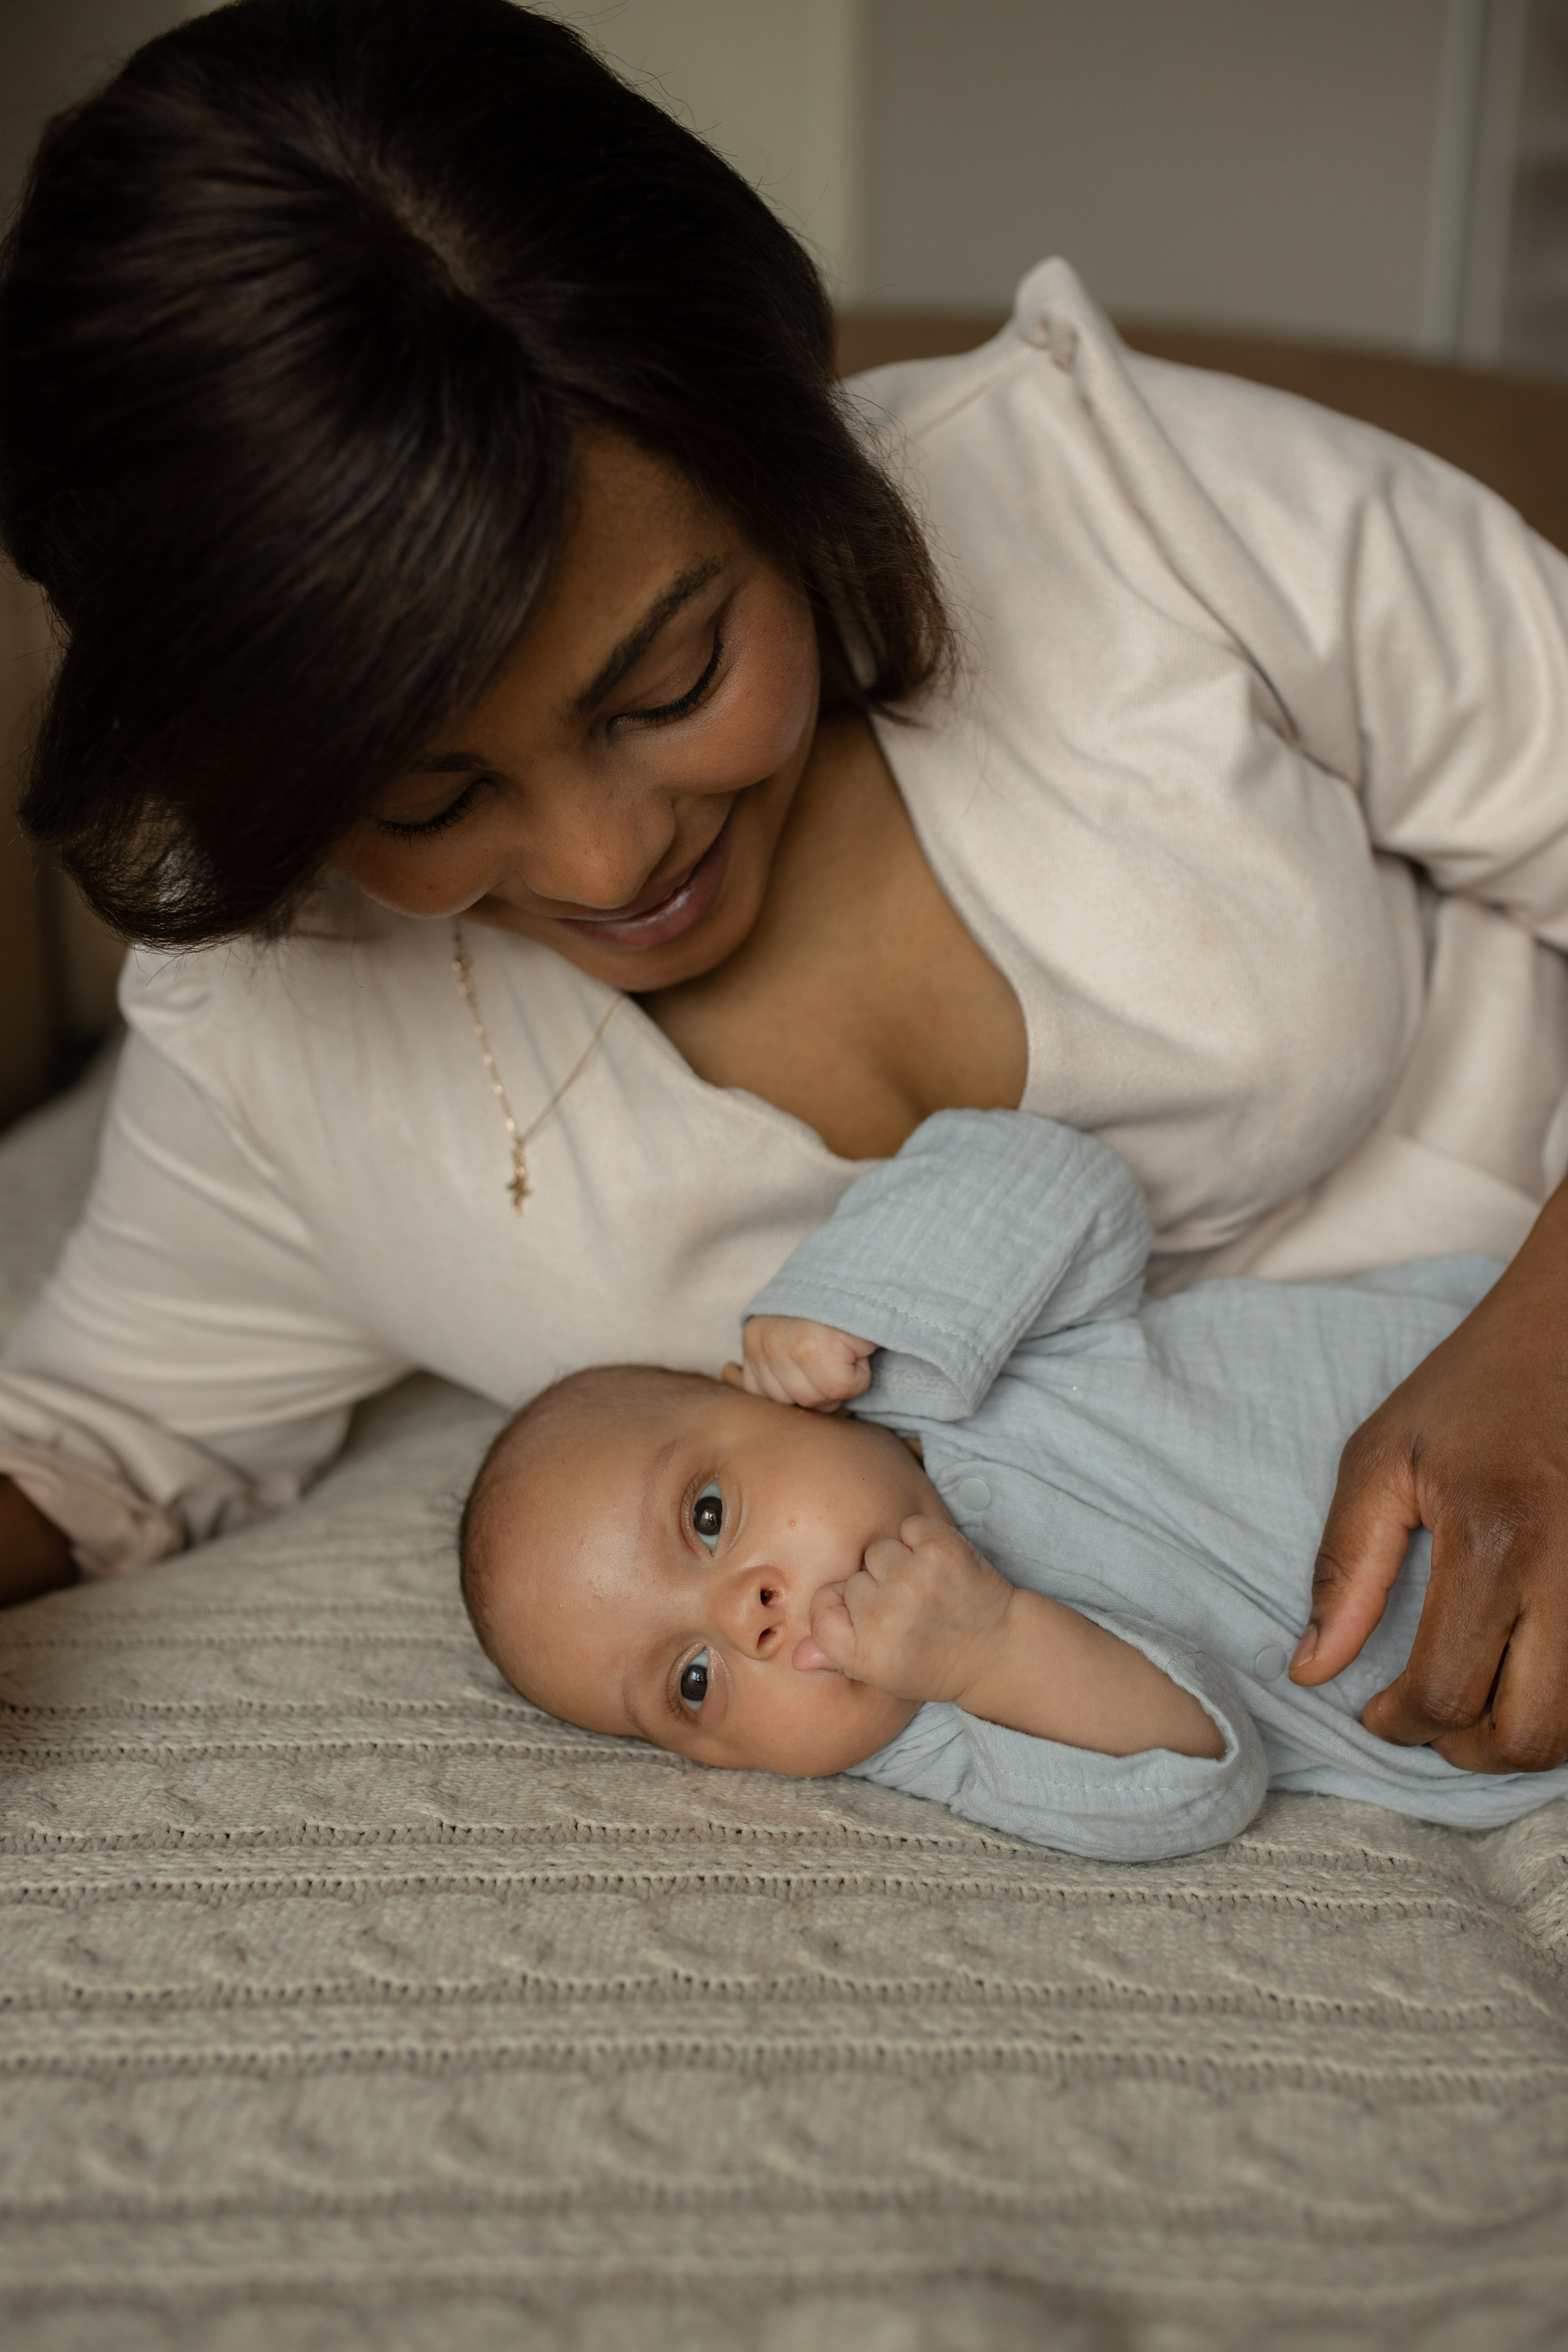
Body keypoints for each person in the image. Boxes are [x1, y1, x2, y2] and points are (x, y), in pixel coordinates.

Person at [1, 0, 1567, 1778]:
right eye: (429, 802)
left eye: (666, 686)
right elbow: (96, 1443)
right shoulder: (278, 1027)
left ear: (778, 444)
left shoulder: (1123, 504)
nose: (610, 863)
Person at [457, 1109, 1568, 1861]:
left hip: (1499, 1385)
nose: (741, 1619)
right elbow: (1200, 1783)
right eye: (690, 1686)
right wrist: (993, 1655)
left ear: (754, 1395)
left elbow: (1060, 1180)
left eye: (707, 1516)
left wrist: (845, 1299)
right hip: (1513, 1687)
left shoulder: (937, 1365)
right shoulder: (938, 1734)